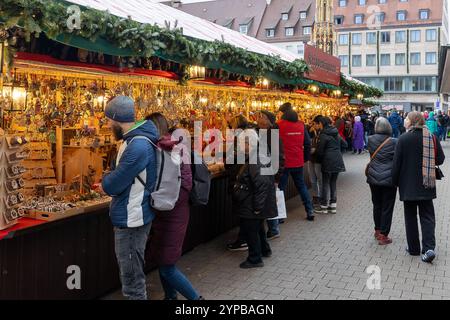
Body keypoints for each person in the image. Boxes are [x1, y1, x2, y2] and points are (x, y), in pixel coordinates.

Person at [101, 96, 159, 300]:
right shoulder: (133, 141)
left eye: (109, 120)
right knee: (132, 275)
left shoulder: (137, 146)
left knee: (132, 280)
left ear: (117, 119)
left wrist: (106, 178)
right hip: (133, 216)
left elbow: (112, 184)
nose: (108, 125)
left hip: (132, 219)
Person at [146, 113, 202, 300]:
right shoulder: (173, 147)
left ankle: (196, 299)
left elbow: (181, 185)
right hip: (170, 212)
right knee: (164, 261)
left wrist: (161, 201)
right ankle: (170, 297)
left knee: (167, 266)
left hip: (170, 213)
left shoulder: (165, 150)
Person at [227, 110, 285, 251]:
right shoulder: (256, 132)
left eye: (262, 117)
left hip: (263, 177)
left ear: (269, 120)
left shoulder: (273, 136)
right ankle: (263, 245)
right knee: (257, 217)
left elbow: (279, 158)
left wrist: (276, 178)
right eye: (258, 116)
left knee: (258, 212)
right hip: (256, 178)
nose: (258, 119)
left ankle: (263, 240)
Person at [392, 112, 445, 263]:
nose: (404, 120)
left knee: (410, 217)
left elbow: (396, 165)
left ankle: (413, 248)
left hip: (407, 185)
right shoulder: (432, 137)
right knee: (427, 217)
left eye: (406, 118)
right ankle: (428, 249)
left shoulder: (403, 139)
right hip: (427, 184)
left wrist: (394, 182)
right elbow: (440, 159)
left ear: (412, 121)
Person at [232, 129, 277, 268]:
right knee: (258, 228)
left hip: (252, 202)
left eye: (241, 144)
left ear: (248, 143)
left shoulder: (255, 158)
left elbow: (261, 184)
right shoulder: (258, 154)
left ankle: (255, 258)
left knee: (251, 230)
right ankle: (264, 250)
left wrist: (257, 207)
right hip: (254, 200)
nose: (239, 147)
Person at [277, 103, 315, 223]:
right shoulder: (301, 125)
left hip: (283, 163)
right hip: (297, 161)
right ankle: (310, 210)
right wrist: (305, 158)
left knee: (280, 188)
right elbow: (308, 143)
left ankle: (281, 216)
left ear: (283, 114)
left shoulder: (278, 125)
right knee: (301, 186)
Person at [366, 118, 398, 245]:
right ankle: (384, 235)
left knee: (377, 204)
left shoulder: (370, 140)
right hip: (389, 178)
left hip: (373, 177)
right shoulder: (395, 141)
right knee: (387, 206)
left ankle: (377, 230)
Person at [314, 117, 347, 214]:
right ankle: (333, 206)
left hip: (328, 161)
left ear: (321, 123)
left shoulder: (323, 135)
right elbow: (345, 144)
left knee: (325, 184)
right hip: (338, 160)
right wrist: (337, 149)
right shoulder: (336, 133)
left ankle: (324, 206)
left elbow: (320, 152)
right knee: (333, 183)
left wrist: (318, 159)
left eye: (318, 124)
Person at [309, 115, 324, 208]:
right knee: (312, 179)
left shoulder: (323, 133)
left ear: (319, 124)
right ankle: (315, 197)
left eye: (314, 124)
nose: (313, 125)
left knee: (320, 179)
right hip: (311, 158)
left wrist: (316, 150)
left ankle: (322, 198)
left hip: (318, 159)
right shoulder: (313, 132)